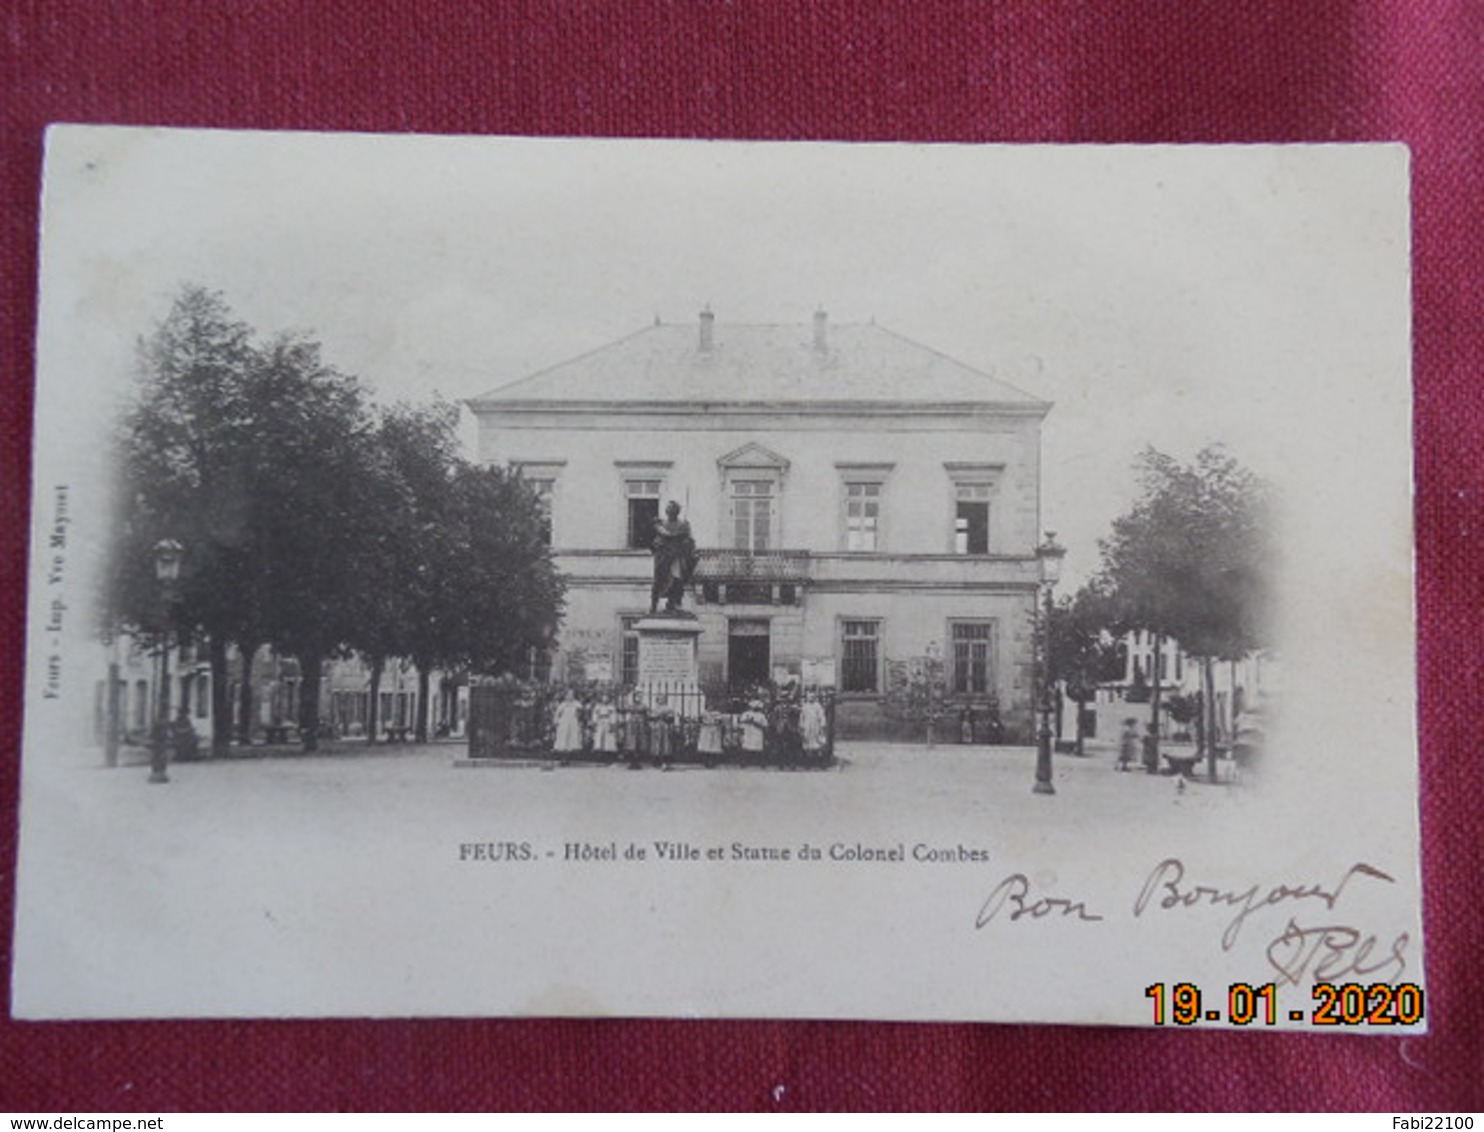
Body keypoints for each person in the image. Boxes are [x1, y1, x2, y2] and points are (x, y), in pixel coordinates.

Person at [650, 500, 698, 613]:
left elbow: (690, 541)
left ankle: (674, 603)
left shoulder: (683, 525)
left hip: (677, 557)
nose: (670, 512)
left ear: (677, 512)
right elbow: (656, 542)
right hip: (663, 558)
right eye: (669, 510)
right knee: (658, 582)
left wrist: (686, 540)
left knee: (677, 580)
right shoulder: (661, 525)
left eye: (673, 510)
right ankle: (653, 605)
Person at [552, 688, 584, 755]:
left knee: (573, 736)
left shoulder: (577, 704)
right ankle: (563, 751)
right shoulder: (562, 704)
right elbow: (557, 714)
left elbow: (580, 714)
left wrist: (579, 719)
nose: (570, 696)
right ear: (565, 696)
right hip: (564, 722)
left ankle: (572, 751)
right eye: (568, 695)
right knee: (563, 736)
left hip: (573, 721)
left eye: (572, 695)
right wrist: (556, 721)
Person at [800, 693, 828, 760]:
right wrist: (801, 725)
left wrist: (822, 724)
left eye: (812, 697)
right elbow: (802, 716)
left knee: (816, 740)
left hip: (815, 725)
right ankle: (808, 758)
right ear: (807, 697)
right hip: (807, 725)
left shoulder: (817, 706)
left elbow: (821, 715)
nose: (811, 698)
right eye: (809, 697)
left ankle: (816, 758)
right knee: (807, 740)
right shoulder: (805, 706)